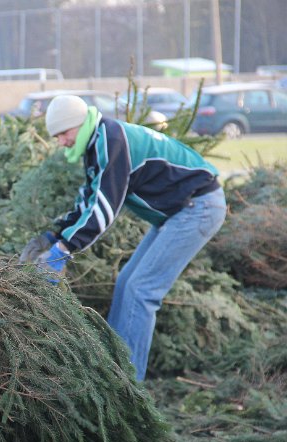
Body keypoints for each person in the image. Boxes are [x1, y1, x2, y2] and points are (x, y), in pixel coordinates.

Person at [24, 94, 226, 381]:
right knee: (126, 282)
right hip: (179, 212)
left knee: (141, 291)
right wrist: (53, 235)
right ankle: (114, 366)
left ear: (79, 125)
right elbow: (90, 198)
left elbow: (104, 208)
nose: (61, 142)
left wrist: (64, 248)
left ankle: (128, 386)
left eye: (63, 133)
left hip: (199, 208)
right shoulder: (99, 141)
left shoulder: (112, 141)